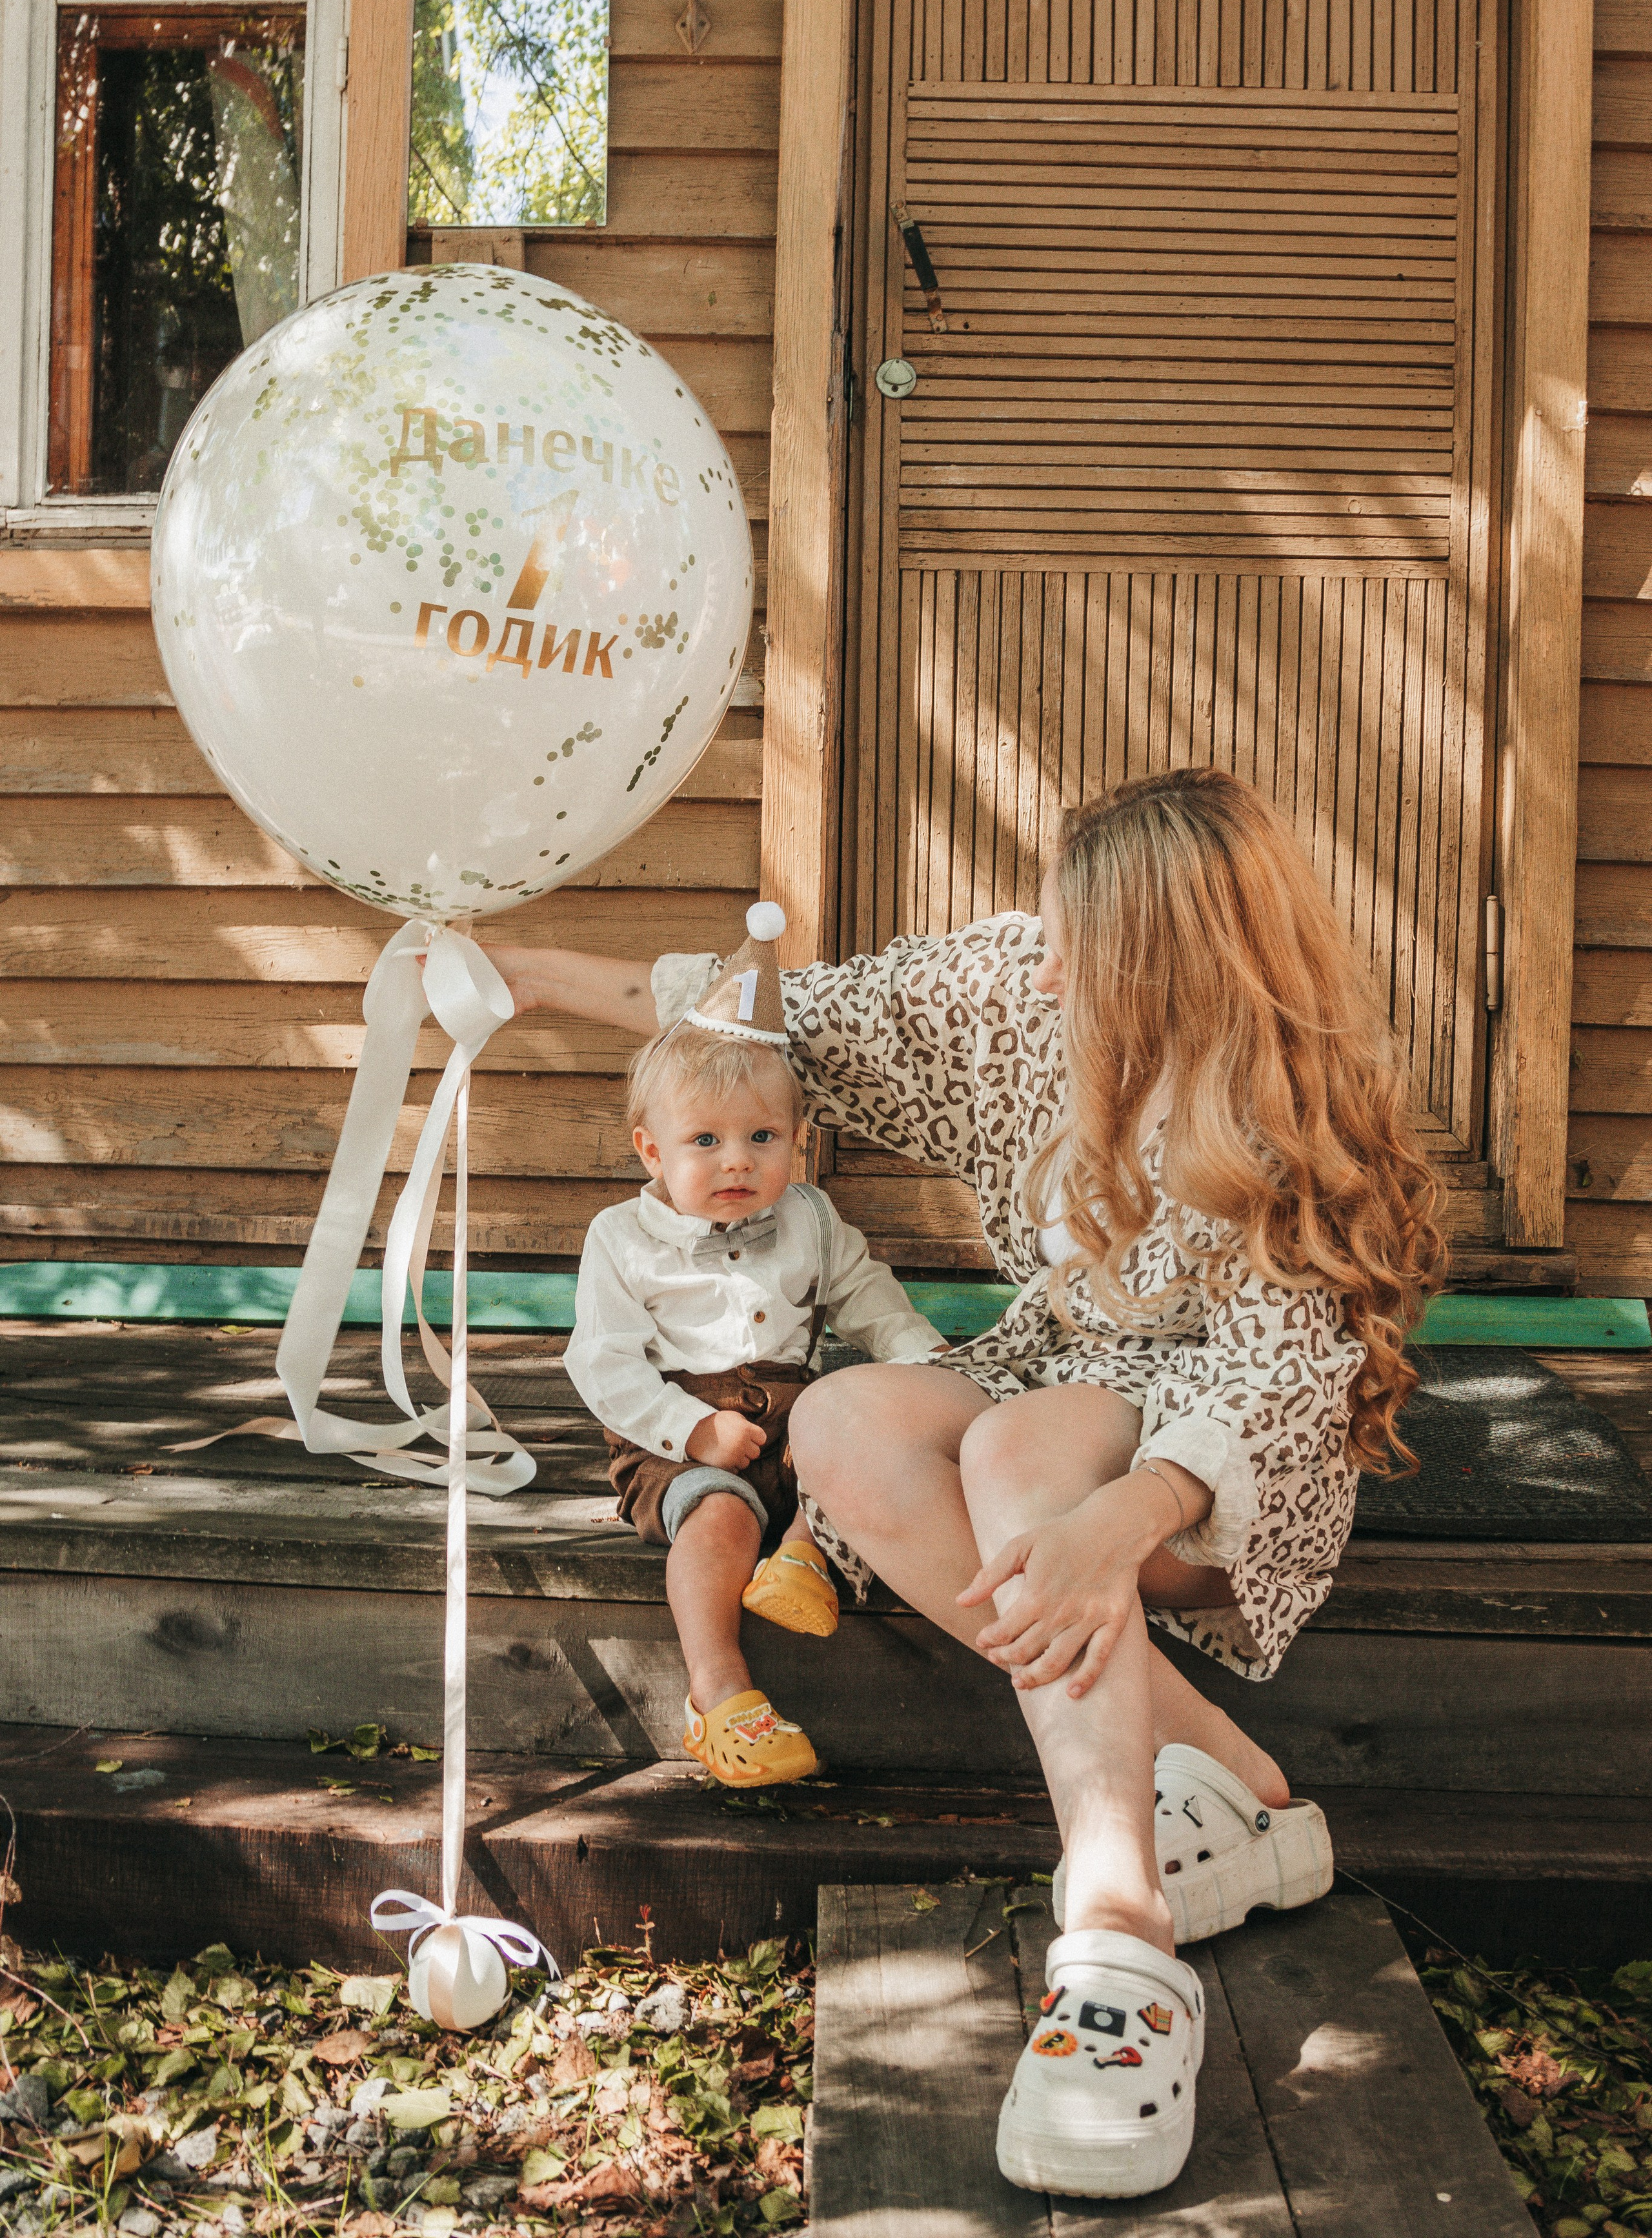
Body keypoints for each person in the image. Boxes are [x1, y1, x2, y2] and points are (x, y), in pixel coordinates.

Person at [489, 771, 1444, 2201]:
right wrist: (517, 971)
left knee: (1011, 1453)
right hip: (1055, 1381)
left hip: (1220, 1470)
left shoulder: (1279, 1107)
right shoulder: (1011, 994)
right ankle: (1231, 1780)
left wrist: (1119, 1517)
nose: (1038, 965)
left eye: (1074, 947)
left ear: (1165, 964)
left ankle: (1117, 1924)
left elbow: (1283, 1373)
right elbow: (758, 1018)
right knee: (844, 1421)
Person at [563, 902, 947, 1791]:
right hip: (677, 1434)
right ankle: (722, 1693)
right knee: (720, 1516)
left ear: (799, 1141)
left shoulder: (810, 1216)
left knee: (870, 1450)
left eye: (762, 1138)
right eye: (705, 1141)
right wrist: (691, 1430)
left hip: (795, 1418)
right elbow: (602, 1363)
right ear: (652, 1150)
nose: (737, 1160)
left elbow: (867, 1298)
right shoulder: (622, 1238)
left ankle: (807, 1554)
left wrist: (929, 1367)